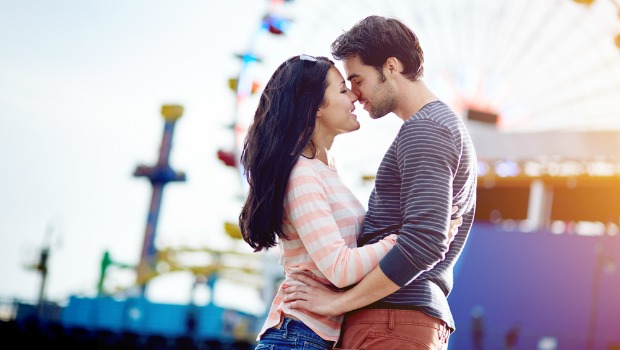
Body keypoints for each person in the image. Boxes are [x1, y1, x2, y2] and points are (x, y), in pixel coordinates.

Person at [238, 54, 463, 349]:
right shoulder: (302, 174)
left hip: (317, 337)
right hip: (297, 336)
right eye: (343, 90)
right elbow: (340, 268)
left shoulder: (327, 171)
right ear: (316, 106)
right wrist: (409, 238)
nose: (354, 97)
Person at [282, 15, 478, 350]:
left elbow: (426, 241)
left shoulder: (426, 130)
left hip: (392, 320)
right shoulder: (436, 126)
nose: (354, 95)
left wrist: (336, 303)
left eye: (357, 79)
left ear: (390, 66)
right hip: (395, 320)